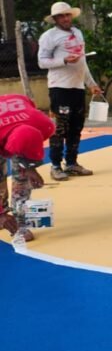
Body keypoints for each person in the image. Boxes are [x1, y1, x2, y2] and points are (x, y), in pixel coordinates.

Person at [37, 1, 103, 180]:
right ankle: (55, 166)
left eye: (67, 15)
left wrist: (91, 84)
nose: (65, 18)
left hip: (77, 88)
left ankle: (72, 163)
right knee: (60, 128)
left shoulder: (78, 33)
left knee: (76, 127)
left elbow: (83, 62)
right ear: (55, 19)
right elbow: (42, 62)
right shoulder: (49, 37)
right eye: (61, 16)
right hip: (60, 88)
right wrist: (64, 60)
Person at [0, 94, 53, 243]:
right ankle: (3, 215)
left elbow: (30, 143)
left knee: (22, 178)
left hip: (18, 127)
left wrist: (30, 168)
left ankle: (20, 219)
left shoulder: (44, 125)